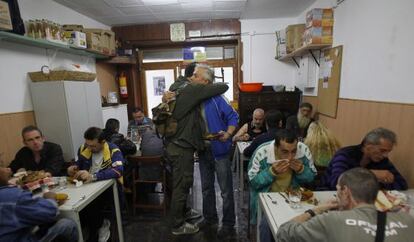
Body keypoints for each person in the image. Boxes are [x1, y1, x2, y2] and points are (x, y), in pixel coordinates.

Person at [162, 64, 229, 235]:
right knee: (182, 185)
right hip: (181, 146)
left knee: (182, 183)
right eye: (194, 75)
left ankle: (184, 213)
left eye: (195, 75)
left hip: (175, 145)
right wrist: (206, 85)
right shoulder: (192, 89)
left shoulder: (177, 86)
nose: (193, 77)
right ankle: (178, 225)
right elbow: (224, 86)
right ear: (205, 81)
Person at [276, 168, 414, 242]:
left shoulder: (331, 220)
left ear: (346, 192)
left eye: (337, 190)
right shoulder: (408, 221)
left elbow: (284, 232)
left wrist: (315, 210)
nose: (337, 195)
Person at [190, 64, 239, 237]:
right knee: (206, 188)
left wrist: (229, 133)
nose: (192, 77)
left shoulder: (217, 98)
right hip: (203, 150)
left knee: (225, 190)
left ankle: (228, 223)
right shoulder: (194, 98)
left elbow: (234, 116)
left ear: (204, 80)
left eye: (195, 75)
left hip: (220, 149)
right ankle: (210, 218)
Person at [248, 129, 316, 227]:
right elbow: (253, 183)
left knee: (307, 224)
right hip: (268, 199)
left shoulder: (303, 150)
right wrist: (271, 172)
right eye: (284, 152)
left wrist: (301, 170)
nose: (289, 157)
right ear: (276, 147)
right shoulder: (262, 152)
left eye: (293, 151)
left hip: (294, 199)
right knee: (266, 225)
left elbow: (311, 177)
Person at [0, 166, 78, 241]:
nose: (8, 168)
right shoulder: (12, 196)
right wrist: (50, 198)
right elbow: (50, 212)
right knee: (67, 225)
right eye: (1, 166)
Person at [322, 127, 407, 190]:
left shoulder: (382, 160)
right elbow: (337, 183)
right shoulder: (345, 155)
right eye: (382, 150)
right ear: (368, 146)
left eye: (388, 152)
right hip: (328, 195)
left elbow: (402, 184)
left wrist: (376, 184)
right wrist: (370, 174)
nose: (385, 155)